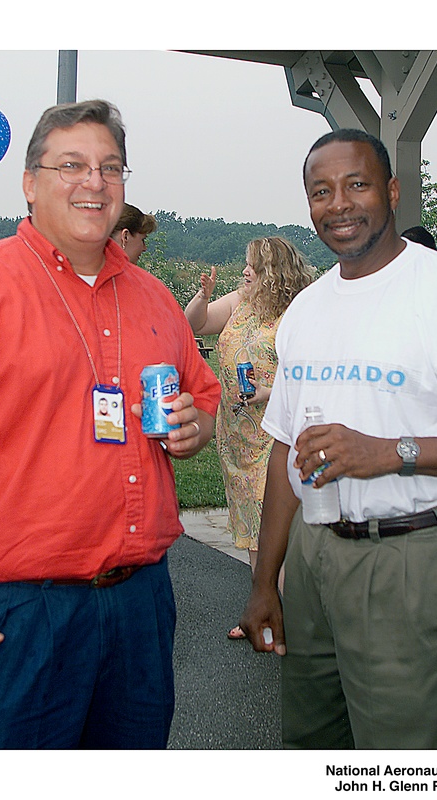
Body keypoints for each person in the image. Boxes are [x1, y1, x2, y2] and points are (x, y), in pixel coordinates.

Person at [0, 99, 221, 750]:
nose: (95, 182)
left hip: (140, 601)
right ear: (30, 183)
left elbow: (201, 400)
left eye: (111, 168)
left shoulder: (155, 299)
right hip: (17, 609)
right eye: (72, 165)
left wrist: (194, 426)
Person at [239, 129, 437, 749]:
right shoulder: (305, 309)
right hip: (313, 557)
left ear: (391, 191)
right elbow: (285, 446)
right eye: (321, 191)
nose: (339, 204)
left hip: (412, 558)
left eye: (356, 184)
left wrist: (392, 452)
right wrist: (264, 581)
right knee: (311, 742)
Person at [184, 237, 316, 640]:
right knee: (249, 521)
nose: (246, 272)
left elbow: (310, 378)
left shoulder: (298, 315)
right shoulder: (240, 301)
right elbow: (194, 324)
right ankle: (265, 606)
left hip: (274, 435)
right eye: (246, 265)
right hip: (236, 433)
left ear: (274, 273)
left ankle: (293, 617)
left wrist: (267, 392)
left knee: (273, 522)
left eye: (254, 266)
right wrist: (202, 297)